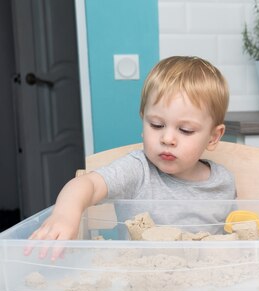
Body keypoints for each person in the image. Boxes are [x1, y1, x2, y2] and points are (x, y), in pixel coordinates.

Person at [27, 56, 235, 258]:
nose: (167, 138)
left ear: (213, 137)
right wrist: (65, 215)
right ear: (143, 122)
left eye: (186, 130)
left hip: (203, 287)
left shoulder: (223, 182)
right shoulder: (137, 169)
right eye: (156, 125)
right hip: (138, 281)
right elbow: (86, 184)